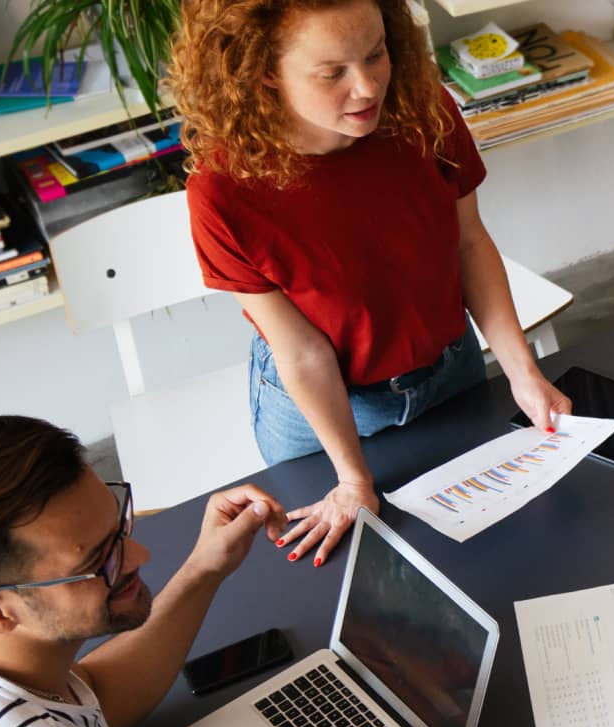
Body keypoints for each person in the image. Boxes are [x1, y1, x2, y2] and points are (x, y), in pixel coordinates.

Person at [171, 0, 569, 567]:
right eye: (332, 73)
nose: (367, 88)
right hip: (324, 409)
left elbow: (469, 244)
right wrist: (353, 479)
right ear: (263, 71)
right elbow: (302, 351)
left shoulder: (423, 111)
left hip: (446, 364)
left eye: (376, 54)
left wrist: (523, 374)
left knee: (491, 556)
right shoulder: (223, 190)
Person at [0, 416, 286, 727]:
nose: (140, 554)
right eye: (99, 560)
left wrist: (206, 567)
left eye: (118, 527)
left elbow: (92, 701)